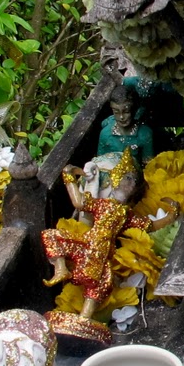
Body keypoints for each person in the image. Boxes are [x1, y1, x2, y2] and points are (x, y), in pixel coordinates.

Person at [43, 148, 145, 321]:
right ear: (116, 180)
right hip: (87, 242)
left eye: (134, 180)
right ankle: (61, 269)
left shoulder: (127, 215)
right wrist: (69, 177)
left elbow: (147, 224)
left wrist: (171, 215)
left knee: (99, 286)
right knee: (52, 236)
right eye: (127, 178)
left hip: (105, 254)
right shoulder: (101, 205)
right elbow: (79, 203)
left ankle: (84, 319)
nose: (131, 184)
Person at [96, 83, 156, 167]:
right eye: (116, 112)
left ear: (134, 110)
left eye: (126, 112)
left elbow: (148, 165)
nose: (121, 117)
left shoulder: (145, 134)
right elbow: (99, 163)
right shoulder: (105, 134)